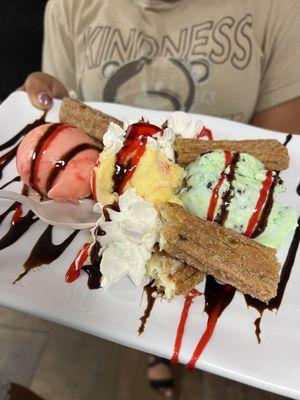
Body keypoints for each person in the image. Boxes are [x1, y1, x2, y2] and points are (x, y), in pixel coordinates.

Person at [21, 0, 300, 398]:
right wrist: (47, 104)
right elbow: (66, 104)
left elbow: (280, 149)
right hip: (125, 223)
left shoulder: (278, 9)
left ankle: (183, 343)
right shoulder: (69, 7)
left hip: (211, 200)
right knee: (150, 310)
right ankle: (157, 352)